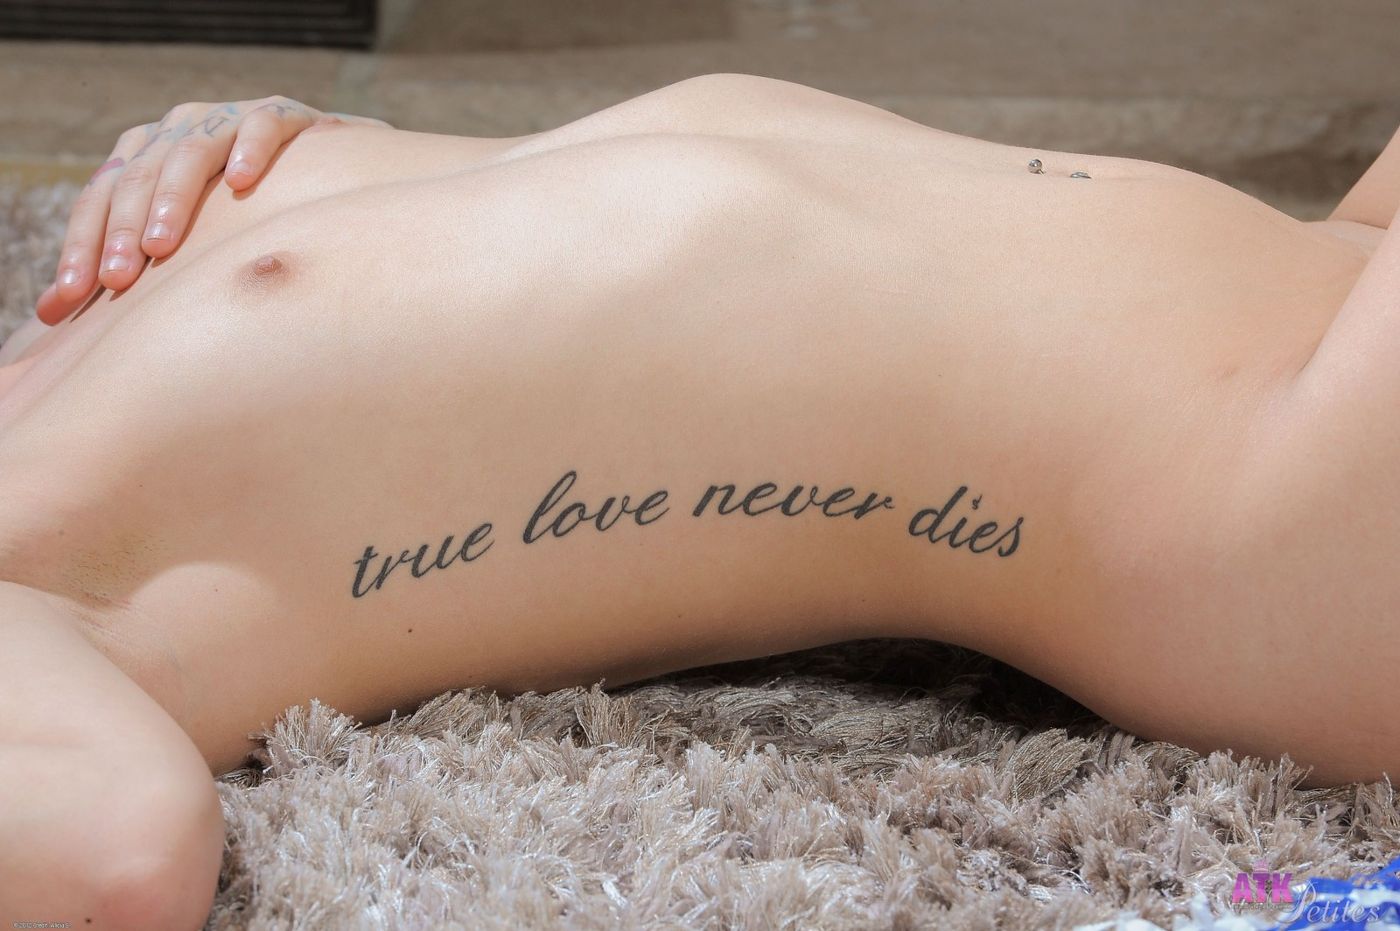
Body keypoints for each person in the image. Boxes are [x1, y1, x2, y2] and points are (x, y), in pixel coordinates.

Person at [0, 73, 1396, 928]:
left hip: (1324, 262)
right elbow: (117, 864)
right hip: (1255, 494)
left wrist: (257, 136)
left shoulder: (44, 356)